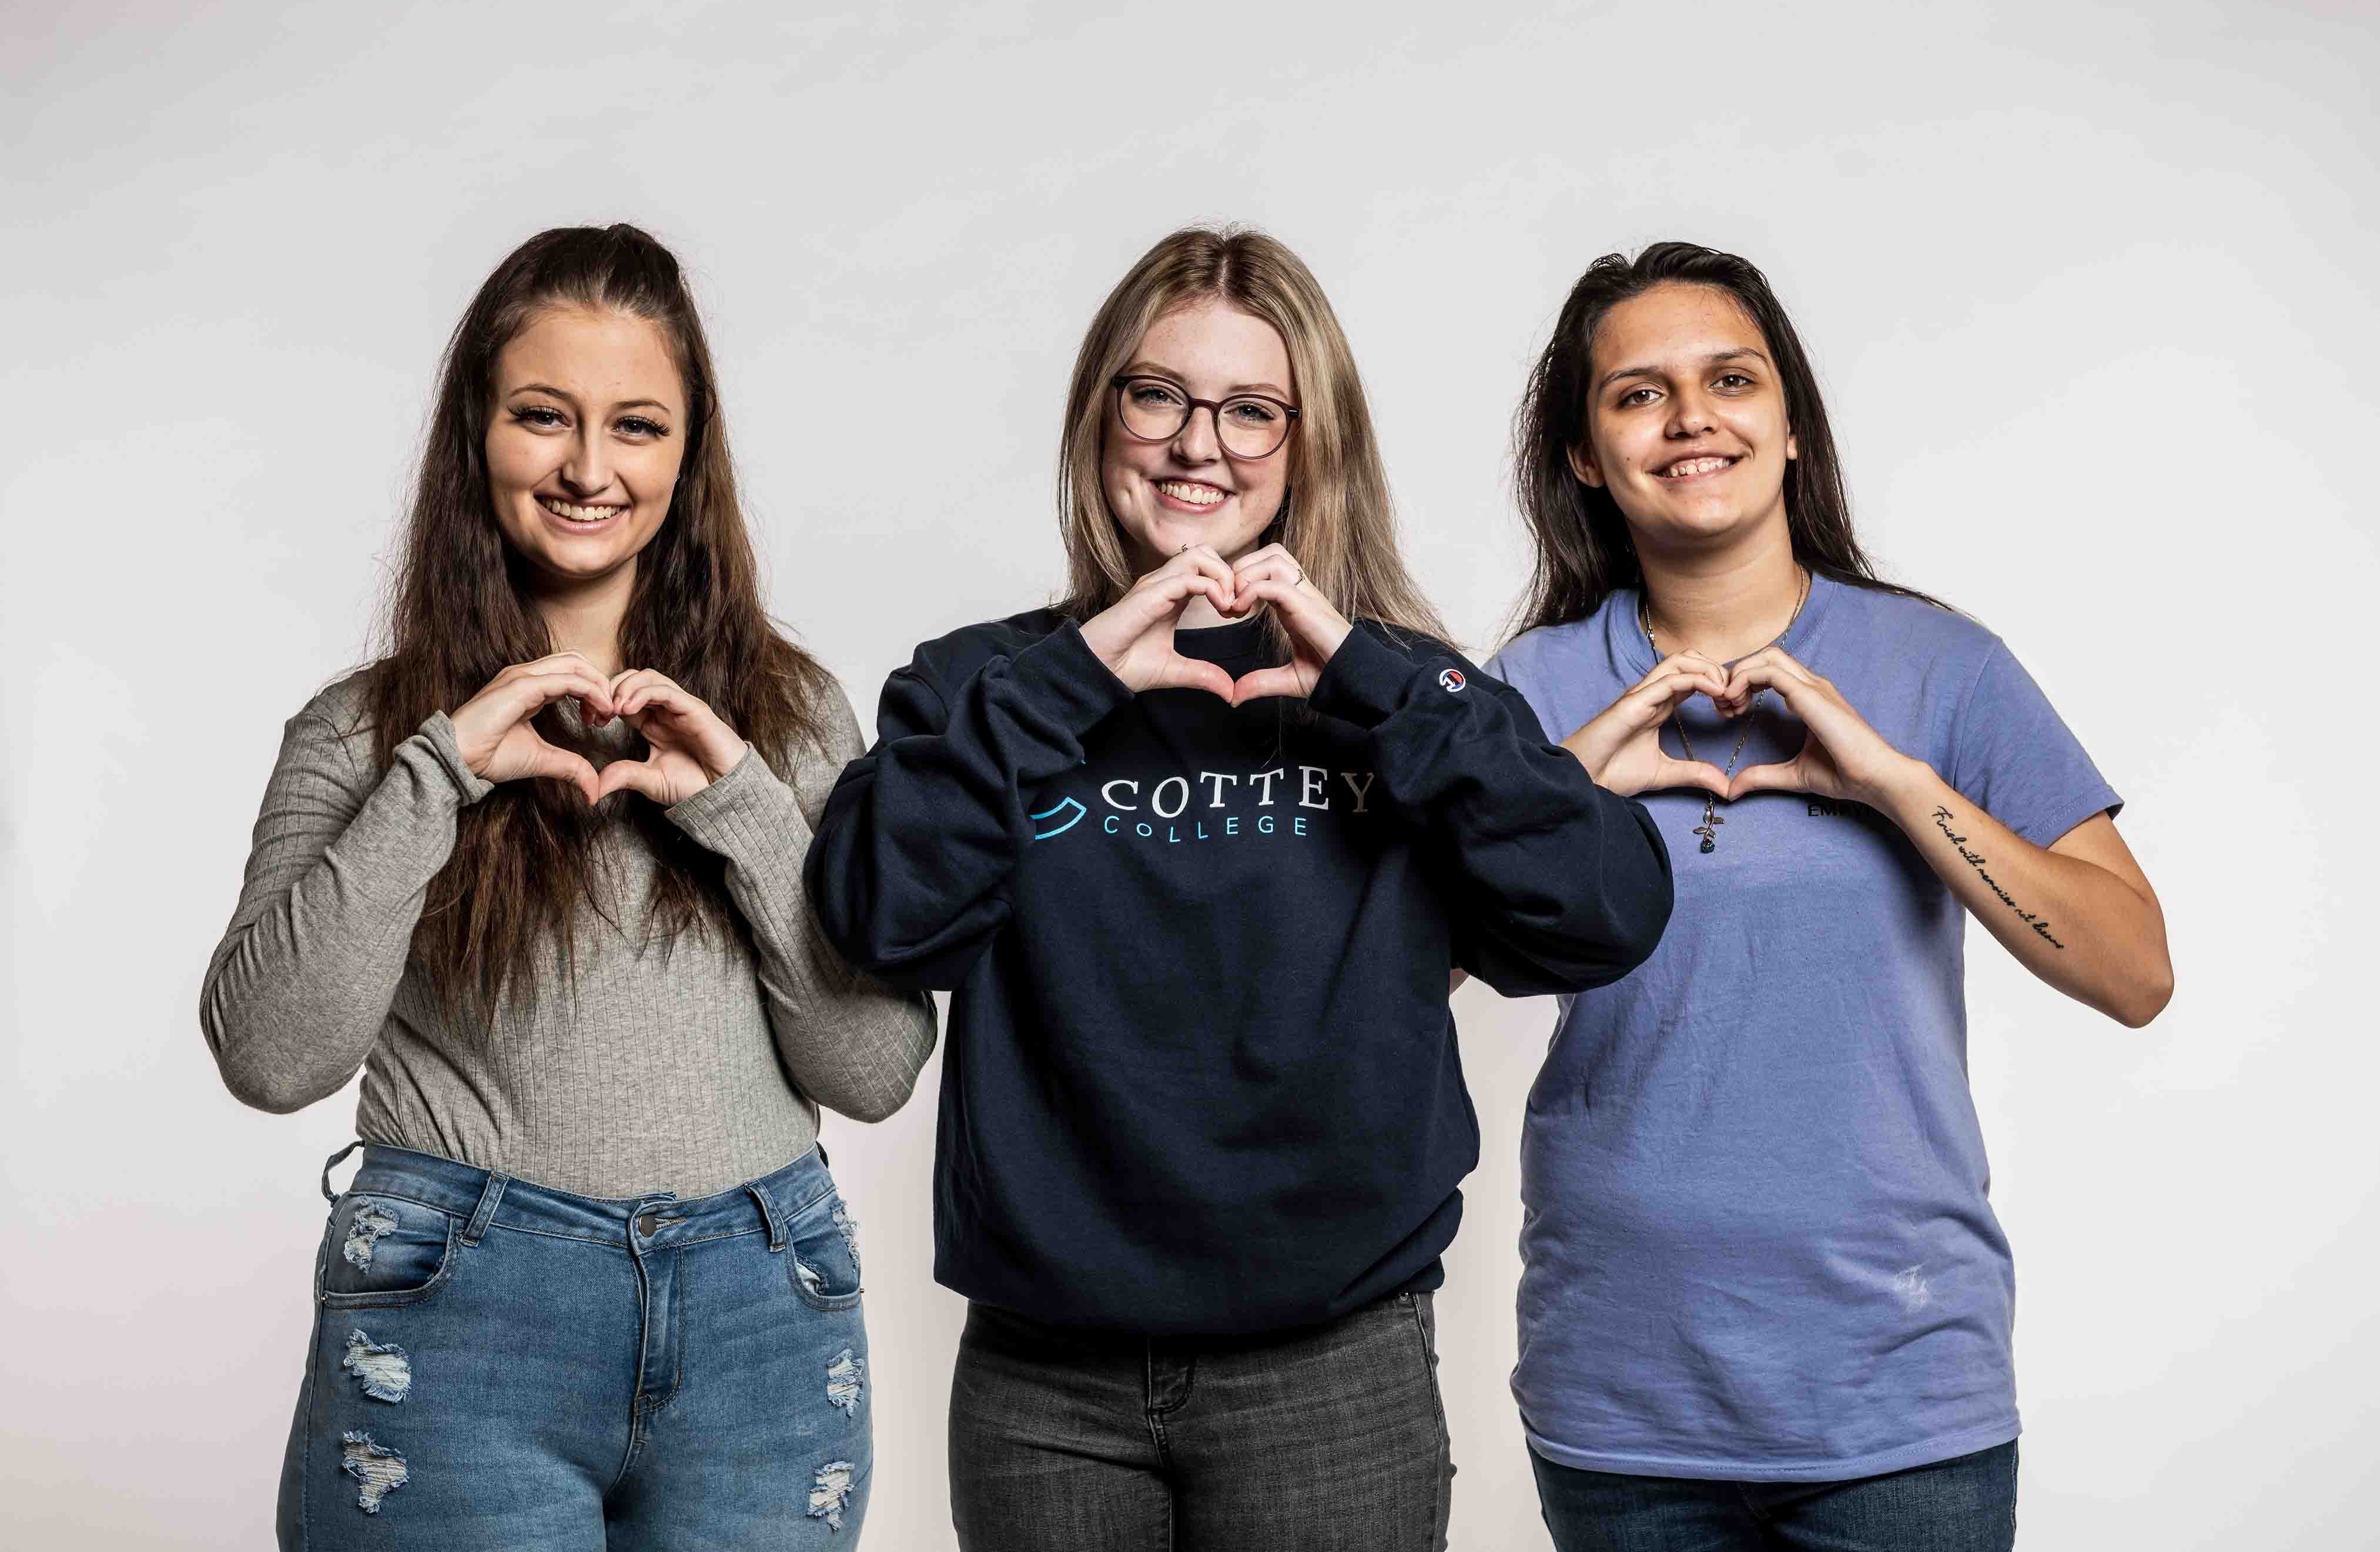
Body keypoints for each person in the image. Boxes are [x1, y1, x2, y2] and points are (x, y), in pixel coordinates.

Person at [803, 226, 1674, 1551]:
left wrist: (1380, 684)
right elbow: (877, 916)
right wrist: (1071, 683)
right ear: (1101, 417)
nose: (1196, 443)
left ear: (1308, 442)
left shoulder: (1407, 693)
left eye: (1251, 410)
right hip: (1049, 1386)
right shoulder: (982, 683)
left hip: (1332, 1373)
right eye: (1157, 394)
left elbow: (1604, 912)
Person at [200, 223, 933, 1548]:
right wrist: (440, 771)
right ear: (476, 435)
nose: (590, 468)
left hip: (764, 1327)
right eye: (544, 415)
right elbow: (268, 1053)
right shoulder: (362, 735)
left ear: (688, 453)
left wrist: (742, 807)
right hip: (459, 1328)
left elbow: (875, 1069)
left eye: (637, 426)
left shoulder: (795, 714)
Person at [1485, 241, 2173, 1551]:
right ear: (1584, 454)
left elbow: (2133, 971)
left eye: (1730, 378)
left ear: (1791, 423)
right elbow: (1394, 976)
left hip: (1898, 1385)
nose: (1691, 416)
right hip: (1623, 1380)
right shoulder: (1528, 688)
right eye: (1637, 393)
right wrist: (1565, 789)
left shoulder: (1942, 666)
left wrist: (1895, 783)